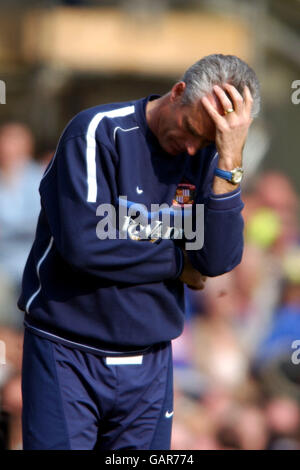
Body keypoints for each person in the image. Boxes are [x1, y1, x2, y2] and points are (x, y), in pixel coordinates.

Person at [18, 54, 260, 450]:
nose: (190, 148)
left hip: (149, 359)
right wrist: (178, 261)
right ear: (178, 92)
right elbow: (85, 245)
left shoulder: (209, 158)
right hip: (67, 349)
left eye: (207, 140)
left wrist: (230, 162)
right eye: (189, 129)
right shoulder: (97, 132)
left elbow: (217, 260)